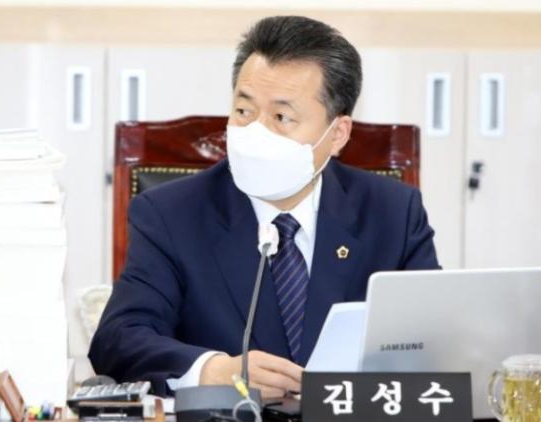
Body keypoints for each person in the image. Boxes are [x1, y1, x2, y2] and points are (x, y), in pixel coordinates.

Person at [89, 15, 439, 398]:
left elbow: (434, 340)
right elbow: (118, 340)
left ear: (337, 134)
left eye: (282, 117)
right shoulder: (170, 214)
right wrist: (213, 371)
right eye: (244, 111)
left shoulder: (393, 212)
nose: (256, 132)